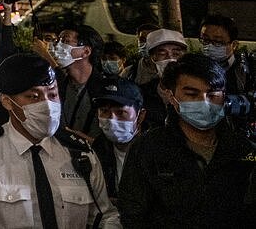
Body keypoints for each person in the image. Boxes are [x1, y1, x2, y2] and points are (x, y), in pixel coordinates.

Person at [0, 52, 121, 228]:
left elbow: (105, 216)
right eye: (33, 96)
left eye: (52, 95)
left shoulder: (80, 154)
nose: (47, 104)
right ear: (7, 101)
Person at [117, 53, 256, 225]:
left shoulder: (243, 150)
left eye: (212, 95)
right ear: (171, 96)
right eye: (192, 94)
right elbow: (133, 214)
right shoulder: (149, 148)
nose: (204, 102)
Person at [88, 76, 144, 204]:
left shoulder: (156, 152)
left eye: (120, 113)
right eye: (104, 111)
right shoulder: (98, 150)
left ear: (140, 116)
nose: (112, 119)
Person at [52, 25, 104, 138]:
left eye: (65, 41)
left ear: (85, 51)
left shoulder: (104, 89)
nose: (58, 46)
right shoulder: (57, 85)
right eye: (58, 41)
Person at [138, 28, 187, 128]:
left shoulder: (195, 92)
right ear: (153, 58)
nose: (170, 58)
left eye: (176, 53)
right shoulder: (142, 94)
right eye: (162, 53)